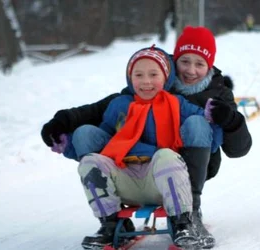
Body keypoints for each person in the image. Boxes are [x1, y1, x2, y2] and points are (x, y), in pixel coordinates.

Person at [41, 26, 253, 249]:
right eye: (185, 61)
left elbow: (239, 149)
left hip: (186, 165)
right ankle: (110, 218)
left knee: (194, 125)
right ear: (172, 64)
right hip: (136, 166)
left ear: (209, 65)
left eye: (199, 64)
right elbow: (98, 111)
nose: (191, 70)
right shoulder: (151, 75)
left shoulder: (216, 93)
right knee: (85, 133)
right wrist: (62, 123)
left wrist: (229, 120)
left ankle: (189, 214)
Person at [75, 45, 223, 249]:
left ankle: (183, 222)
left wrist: (215, 116)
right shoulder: (119, 105)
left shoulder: (177, 103)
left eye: (153, 74)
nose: (146, 81)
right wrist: (71, 144)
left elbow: (206, 132)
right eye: (139, 75)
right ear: (130, 78)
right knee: (90, 161)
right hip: (126, 179)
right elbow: (104, 142)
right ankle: (110, 224)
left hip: (163, 182)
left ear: (165, 79)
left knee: (166, 156)